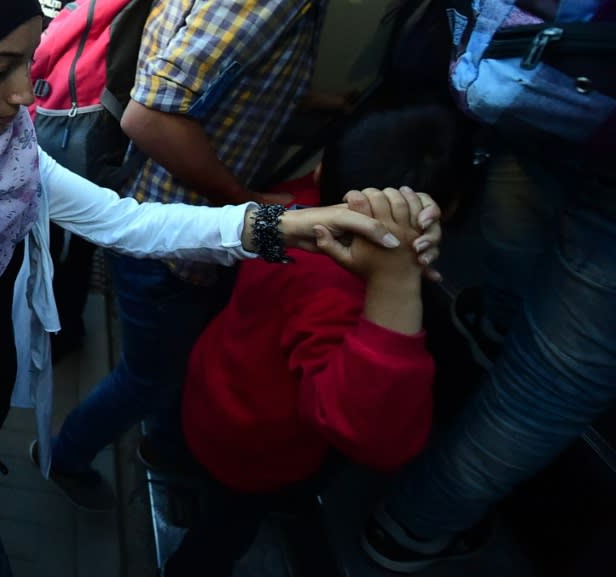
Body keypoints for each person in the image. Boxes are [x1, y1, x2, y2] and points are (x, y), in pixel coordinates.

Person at [0, 1, 441, 576]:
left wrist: (285, 227)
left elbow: (130, 222)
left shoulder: (7, 154)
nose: (26, 95)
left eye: (29, 64)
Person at [46, 0, 441, 510]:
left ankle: (161, 449)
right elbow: (150, 119)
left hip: (183, 234)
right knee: (148, 376)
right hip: (173, 238)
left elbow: (217, 81)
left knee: (165, 364)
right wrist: (245, 199)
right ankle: (65, 456)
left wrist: (307, 101)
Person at [360, 1, 616, 573]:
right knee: (548, 387)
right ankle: (414, 525)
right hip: (591, 104)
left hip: (532, 80)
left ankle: (495, 323)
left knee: (519, 218)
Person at [158, 106, 454, 577]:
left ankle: (165, 462)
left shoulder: (294, 205)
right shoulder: (342, 292)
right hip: (253, 445)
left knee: (194, 466)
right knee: (222, 531)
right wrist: (395, 284)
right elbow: (371, 435)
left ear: (322, 167)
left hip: (213, 384)